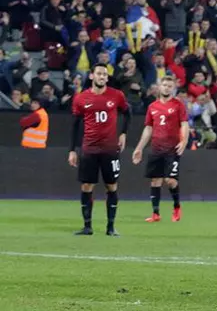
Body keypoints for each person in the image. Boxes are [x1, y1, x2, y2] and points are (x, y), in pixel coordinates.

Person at [68, 64, 131, 237]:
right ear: (91, 76)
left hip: (110, 149)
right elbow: (74, 125)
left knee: (111, 186)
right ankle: (87, 226)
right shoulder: (81, 98)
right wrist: (72, 150)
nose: (102, 77)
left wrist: (123, 133)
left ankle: (111, 227)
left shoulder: (116, 95)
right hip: (89, 148)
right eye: (99, 74)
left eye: (105, 74)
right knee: (87, 185)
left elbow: (127, 113)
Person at [131, 75, 190, 223]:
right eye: (164, 85)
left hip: (172, 149)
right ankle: (156, 213)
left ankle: (176, 207)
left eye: (170, 86)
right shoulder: (152, 107)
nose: (166, 88)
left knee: (170, 180)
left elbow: (184, 124)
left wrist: (184, 141)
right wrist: (139, 148)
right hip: (156, 148)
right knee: (155, 180)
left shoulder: (178, 105)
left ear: (173, 88)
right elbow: (148, 129)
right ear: (159, 87)